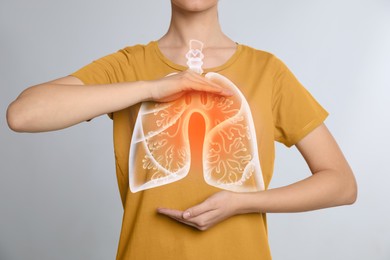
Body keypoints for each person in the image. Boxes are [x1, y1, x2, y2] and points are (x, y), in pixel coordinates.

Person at [6, 0, 357, 259]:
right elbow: (23, 114)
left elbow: (341, 184)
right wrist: (150, 89)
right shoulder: (130, 66)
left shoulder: (267, 71)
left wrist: (243, 203)